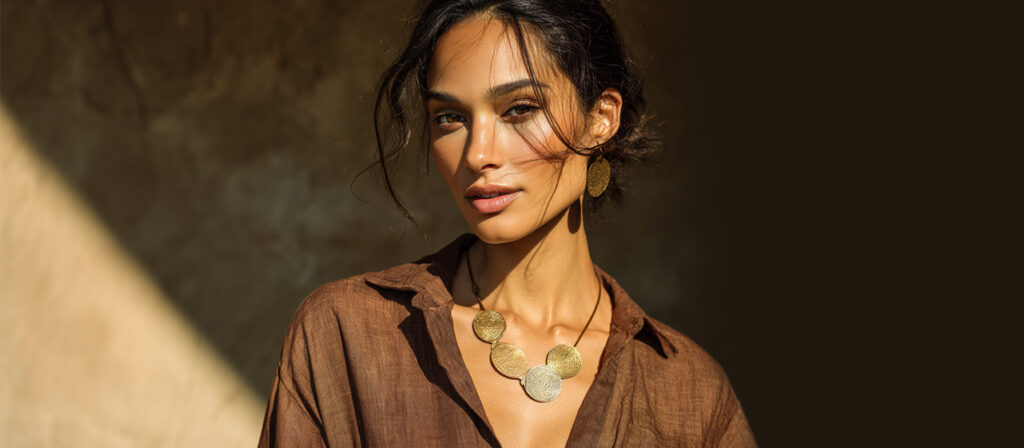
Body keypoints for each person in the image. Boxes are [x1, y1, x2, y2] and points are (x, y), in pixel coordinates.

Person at [258, 1, 756, 446]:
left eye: (519, 109)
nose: (477, 154)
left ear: (600, 119)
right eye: (449, 117)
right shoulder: (347, 335)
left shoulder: (689, 393)